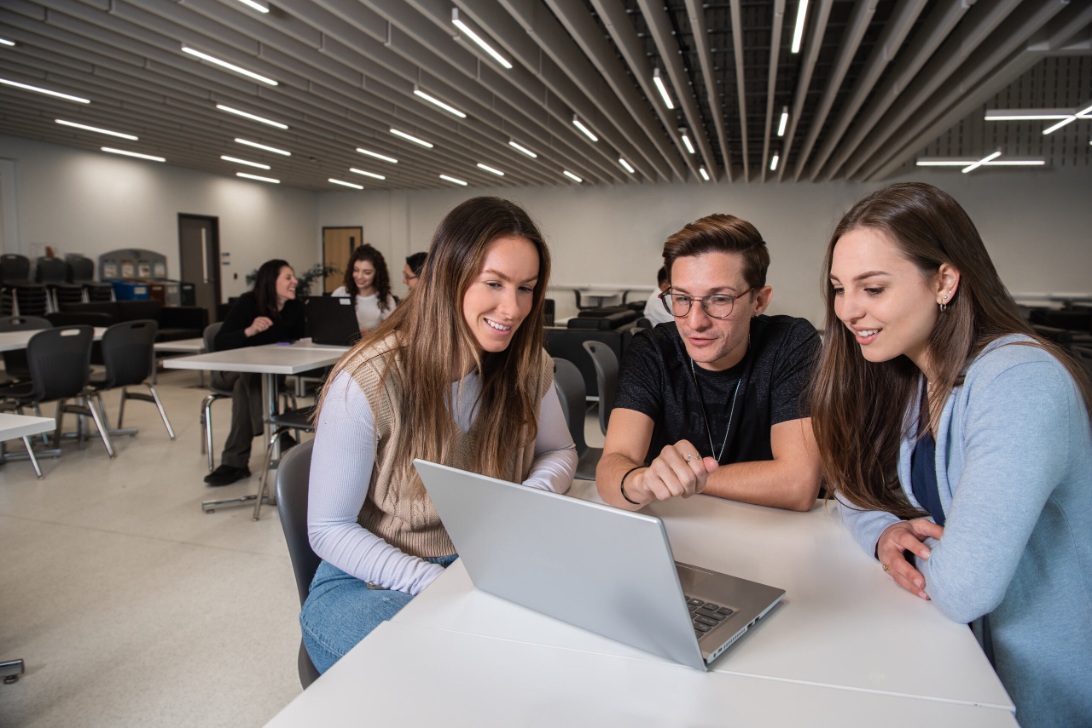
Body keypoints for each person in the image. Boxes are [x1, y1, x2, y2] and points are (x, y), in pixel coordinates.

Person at [810, 182, 1091, 726]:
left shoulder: (1019, 382)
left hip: (1040, 696)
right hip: (957, 666)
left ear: (944, 279)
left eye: (872, 288)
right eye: (839, 288)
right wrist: (884, 532)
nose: (847, 310)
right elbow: (849, 485)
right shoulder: (914, 376)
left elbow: (964, 589)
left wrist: (911, 543)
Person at [301, 197, 577, 673]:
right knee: (453, 670)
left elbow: (560, 451)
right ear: (449, 276)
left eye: (526, 289)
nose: (512, 309)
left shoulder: (527, 364)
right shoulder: (368, 378)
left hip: (488, 565)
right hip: (373, 582)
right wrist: (432, 580)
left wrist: (531, 494)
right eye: (494, 283)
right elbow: (328, 528)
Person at [596, 214, 822, 512]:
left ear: (759, 301)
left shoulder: (791, 342)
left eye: (719, 299)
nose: (695, 322)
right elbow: (612, 468)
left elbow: (798, 485)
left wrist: (686, 480)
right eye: (681, 298)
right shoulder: (653, 349)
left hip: (772, 530)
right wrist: (640, 482)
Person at [204, 259, 305, 486]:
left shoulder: (294, 307)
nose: (294, 282)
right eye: (288, 277)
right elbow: (220, 342)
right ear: (271, 282)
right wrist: (248, 331)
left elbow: (300, 339)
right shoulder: (248, 303)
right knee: (247, 379)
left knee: (247, 385)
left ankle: (235, 463)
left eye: (293, 277)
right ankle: (274, 429)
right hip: (232, 371)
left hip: (268, 374)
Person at [331, 244, 395, 333]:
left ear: (377, 274)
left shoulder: (386, 299)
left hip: (370, 345)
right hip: (340, 346)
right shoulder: (340, 293)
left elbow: (392, 333)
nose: (360, 276)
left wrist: (370, 335)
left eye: (367, 272)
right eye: (356, 270)